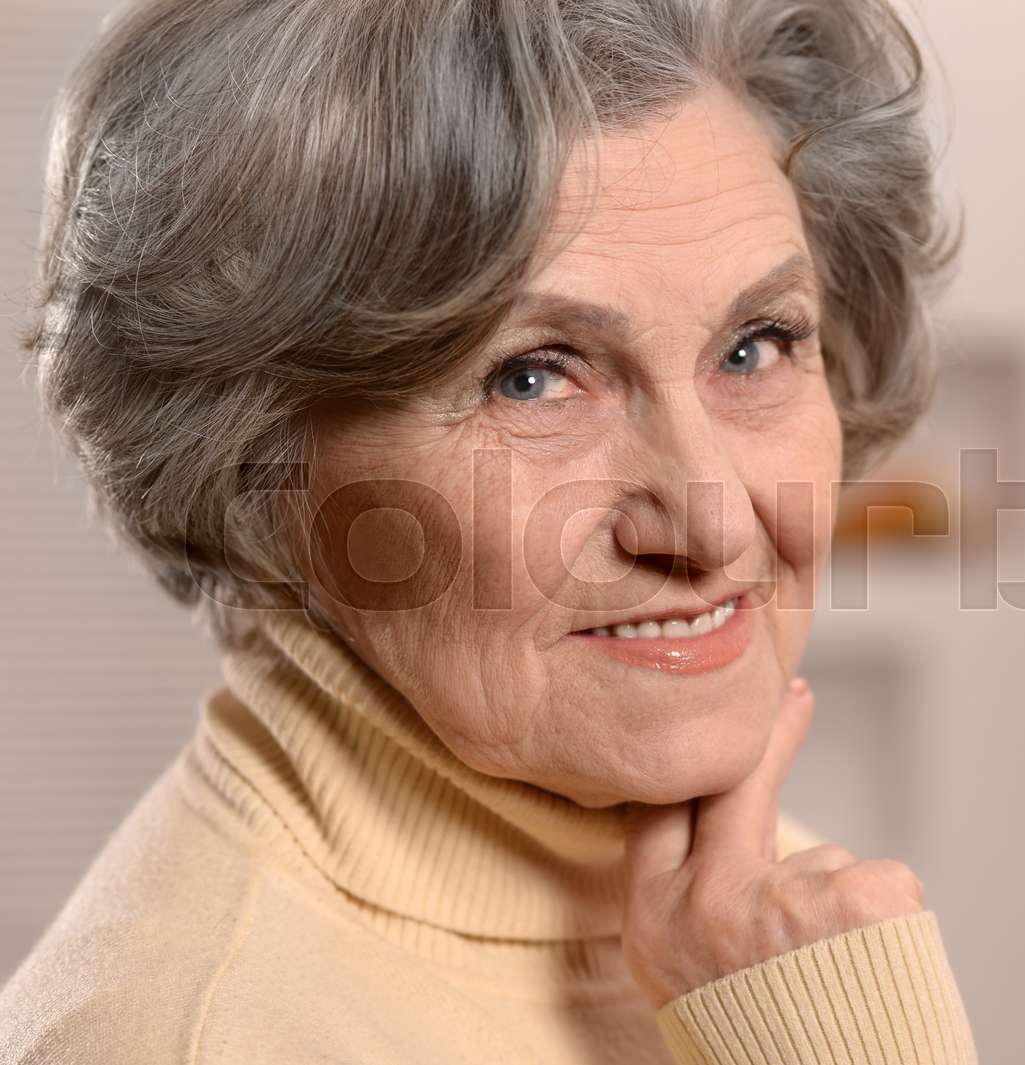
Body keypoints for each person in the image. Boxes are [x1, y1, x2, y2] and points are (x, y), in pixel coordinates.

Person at [1, 0, 973, 1061]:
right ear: (251, 457)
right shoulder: (196, 1034)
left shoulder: (756, 905)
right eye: (532, 377)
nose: (712, 521)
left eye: (755, 346)